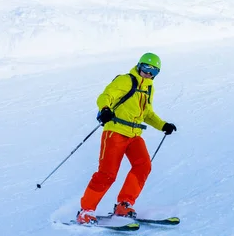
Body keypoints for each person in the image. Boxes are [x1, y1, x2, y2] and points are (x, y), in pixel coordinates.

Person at [76, 52, 177, 224]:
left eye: (153, 72)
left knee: (143, 166)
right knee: (107, 173)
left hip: (134, 135)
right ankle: (86, 211)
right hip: (115, 131)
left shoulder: (148, 88)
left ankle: (124, 204)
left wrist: (163, 125)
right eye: (146, 68)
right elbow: (105, 96)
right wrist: (105, 109)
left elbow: (147, 113)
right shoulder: (125, 80)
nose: (148, 73)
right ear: (139, 65)